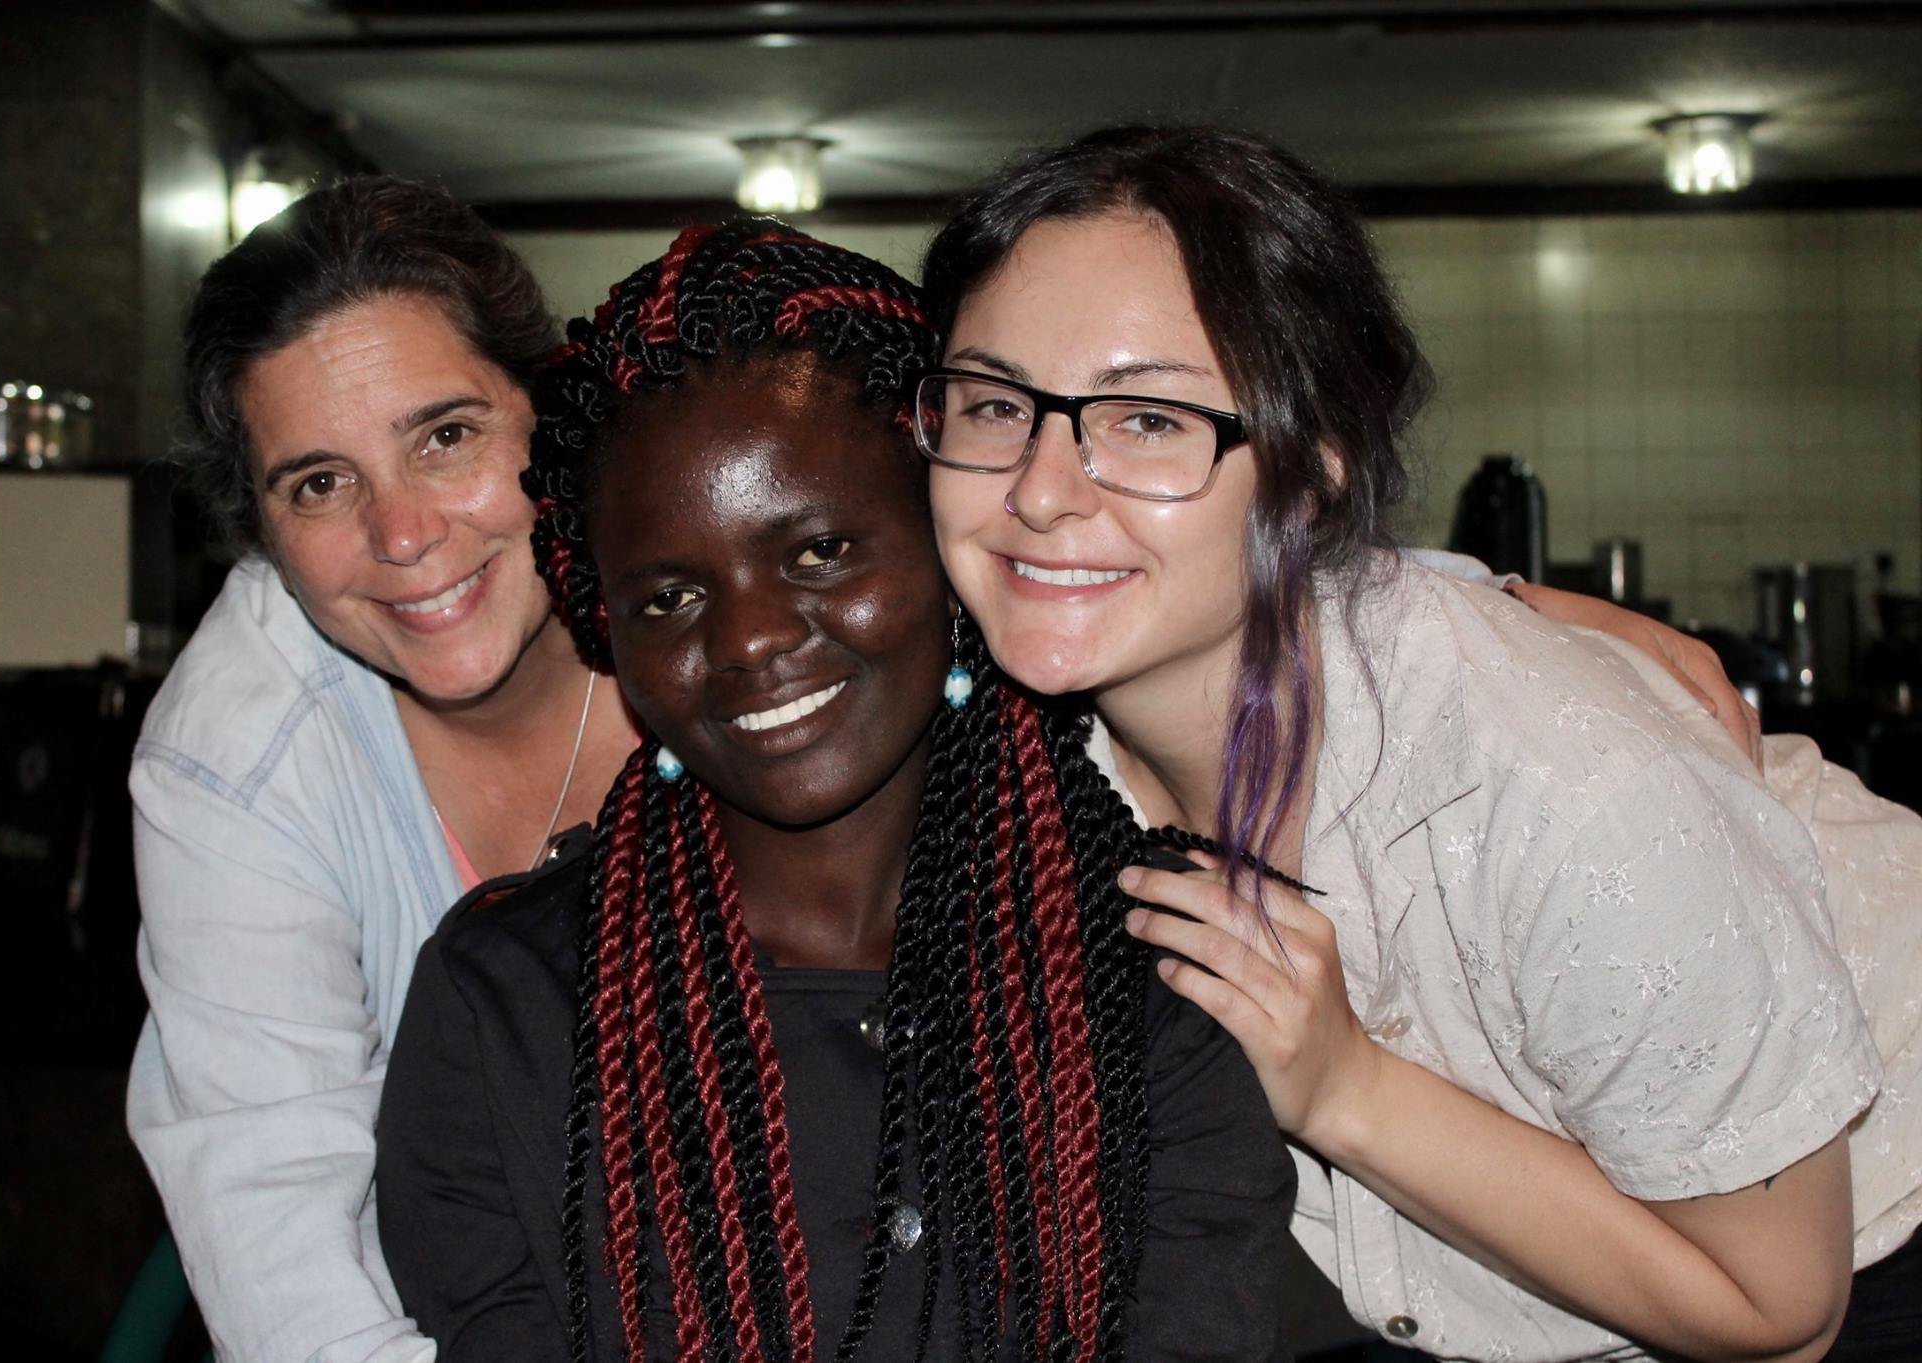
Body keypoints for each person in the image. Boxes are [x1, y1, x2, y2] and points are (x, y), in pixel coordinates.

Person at [917, 124, 1920, 1362]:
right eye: (995, 401)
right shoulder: (1008, 720)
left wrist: (1342, 1085)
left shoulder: (1568, 794)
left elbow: (1779, 1312)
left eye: (1148, 419)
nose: (1039, 486)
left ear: (1314, 467)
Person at [374, 221, 1295, 1361]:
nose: (751, 639)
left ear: (956, 546)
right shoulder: (504, 1004)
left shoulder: (1161, 959)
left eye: (819, 551)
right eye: (666, 597)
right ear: (606, 633)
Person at [126, 177, 635, 1363]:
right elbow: (283, 1246)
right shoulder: (238, 755)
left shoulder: (715, 593)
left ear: (547, 418)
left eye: (445, 436)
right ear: (259, 531)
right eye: (319, 482)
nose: (401, 534)